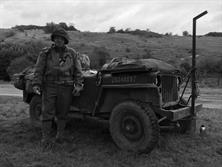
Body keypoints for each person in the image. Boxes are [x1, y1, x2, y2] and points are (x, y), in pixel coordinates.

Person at [32, 28, 83, 148]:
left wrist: (79, 84)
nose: (58, 40)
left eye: (61, 38)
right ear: (53, 39)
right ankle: (45, 139)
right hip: (50, 86)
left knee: (63, 112)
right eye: (56, 38)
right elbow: (39, 70)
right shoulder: (46, 53)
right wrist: (36, 84)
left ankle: (60, 136)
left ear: (65, 40)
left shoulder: (72, 53)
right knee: (47, 112)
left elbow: (78, 70)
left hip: (66, 86)